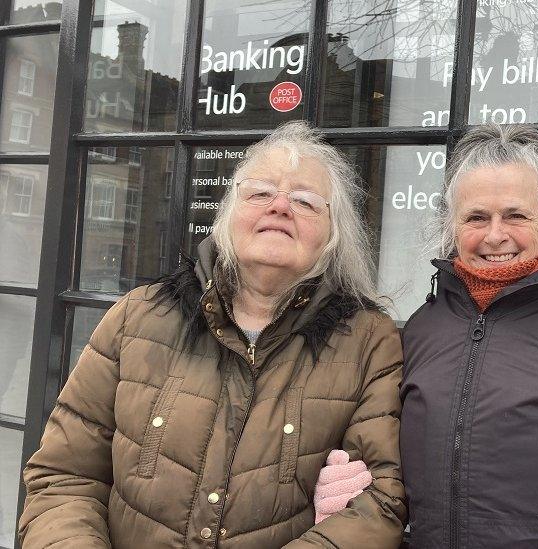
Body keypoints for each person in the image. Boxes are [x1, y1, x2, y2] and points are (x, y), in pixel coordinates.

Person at [19, 121, 406, 548]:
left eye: (305, 201)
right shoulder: (138, 317)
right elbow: (64, 476)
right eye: (259, 193)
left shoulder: (370, 341)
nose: (278, 207)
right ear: (227, 217)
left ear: (334, 236)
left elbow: (379, 502)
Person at [319, 124, 538, 547]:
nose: (495, 235)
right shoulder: (422, 327)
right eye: (476, 217)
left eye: (516, 215)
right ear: (452, 228)